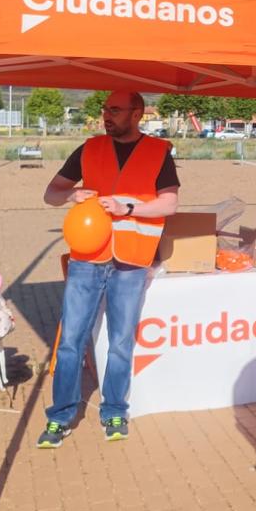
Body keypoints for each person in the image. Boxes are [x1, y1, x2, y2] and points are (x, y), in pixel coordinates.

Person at [38, 90, 180, 447]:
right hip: (87, 259)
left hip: (131, 261)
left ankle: (114, 409)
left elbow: (170, 202)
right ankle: (61, 415)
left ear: (137, 114)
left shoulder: (158, 152)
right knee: (70, 340)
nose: (107, 115)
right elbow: (51, 193)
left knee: (120, 342)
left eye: (115, 110)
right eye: (105, 109)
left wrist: (128, 209)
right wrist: (72, 195)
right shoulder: (89, 148)